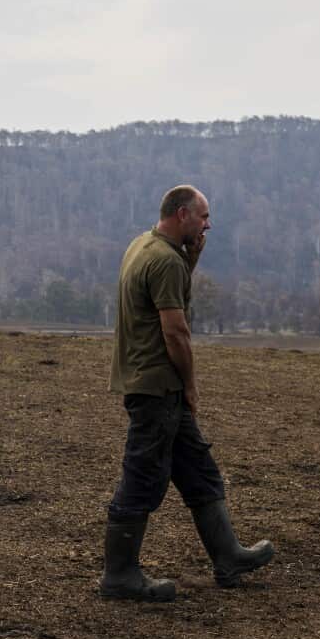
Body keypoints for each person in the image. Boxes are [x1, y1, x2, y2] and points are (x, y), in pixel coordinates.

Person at [99, 184, 274, 602]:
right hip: (158, 387)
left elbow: (166, 289)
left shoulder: (145, 246)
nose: (208, 224)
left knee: (198, 469)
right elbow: (175, 332)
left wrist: (190, 261)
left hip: (151, 383)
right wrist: (192, 385)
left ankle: (228, 555)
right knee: (142, 477)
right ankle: (119, 576)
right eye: (203, 216)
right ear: (182, 215)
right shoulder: (165, 262)